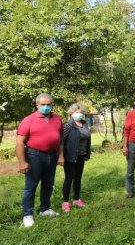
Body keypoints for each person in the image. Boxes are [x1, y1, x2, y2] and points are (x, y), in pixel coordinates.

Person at [16, 93, 63, 227]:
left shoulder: (57, 119)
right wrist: (22, 161)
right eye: (43, 105)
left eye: (48, 104)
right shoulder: (28, 120)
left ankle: (45, 209)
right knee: (31, 187)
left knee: (48, 184)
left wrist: (61, 155)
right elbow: (20, 142)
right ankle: (27, 215)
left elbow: (60, 141)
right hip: (34, 155)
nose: (46, 107)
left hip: (52, 156)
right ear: (37, 105)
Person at [61, 103, 91, 212]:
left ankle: (77, 199)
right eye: (77, 112)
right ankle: (65, 202)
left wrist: (87, 154)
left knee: (78, 178)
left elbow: (88, 140)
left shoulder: (85, 124)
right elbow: (61, 142)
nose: (79, 114)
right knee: (69, 178)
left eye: (81, 113)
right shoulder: (68, 125)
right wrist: (60, 156)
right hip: (70, 156)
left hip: (81, 156)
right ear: (71, 113)